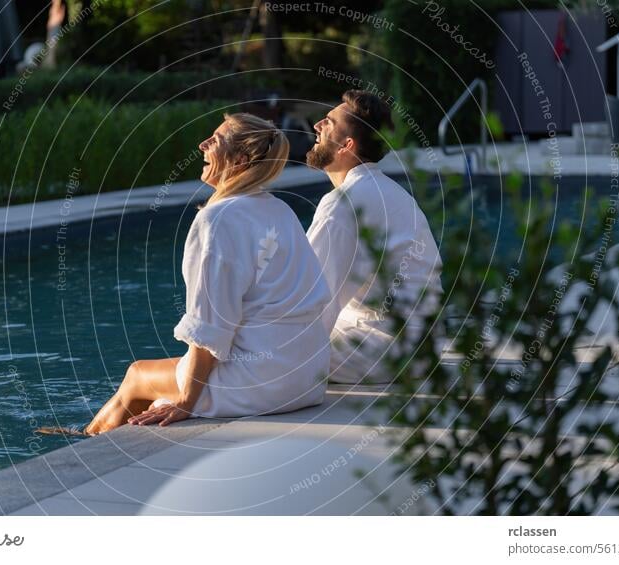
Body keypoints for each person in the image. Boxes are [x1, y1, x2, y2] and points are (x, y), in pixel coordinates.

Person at [83, 113, 331, 434]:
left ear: (239, 160)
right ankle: (90, 434)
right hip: (307, 377)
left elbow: (211, 326)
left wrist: (187, 401)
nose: (202, 144)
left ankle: (87, 442)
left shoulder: (217, 219)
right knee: (156, 387)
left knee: (136, 376)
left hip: (260, 383)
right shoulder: (279, 210)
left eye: (215, 139)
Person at [305, 90, 442, 385]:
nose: (317, 125)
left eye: (328, 122)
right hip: (423, 347)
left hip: (381, 353)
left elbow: (311, 298)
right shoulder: (393, 193)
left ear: (347, 145)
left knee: (254, 354)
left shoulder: (342, 204)